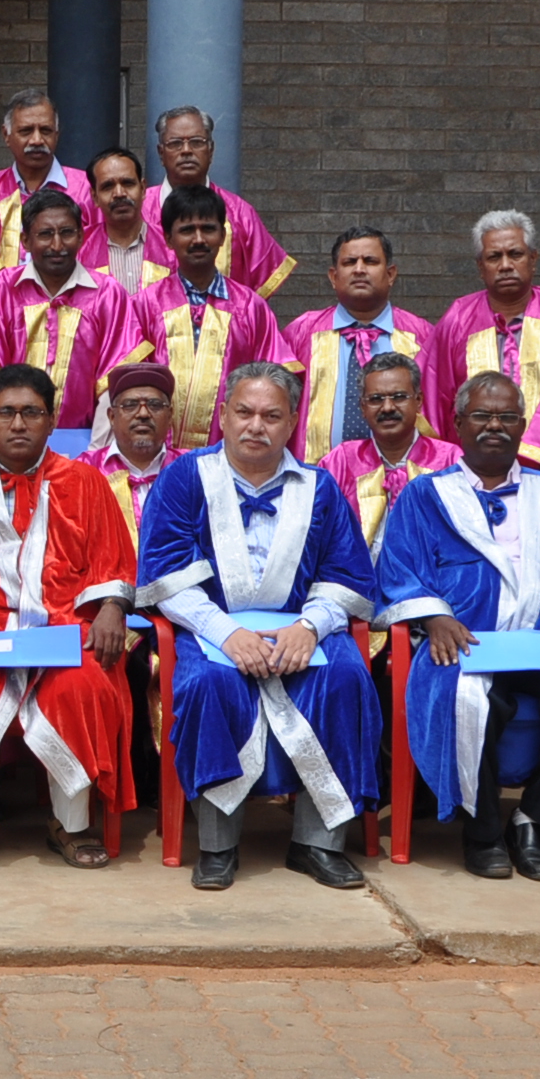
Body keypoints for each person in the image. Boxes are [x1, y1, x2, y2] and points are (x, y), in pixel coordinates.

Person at [374, 371, 540, 881]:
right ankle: (481, 833)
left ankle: (534, 822)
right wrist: (434, 615)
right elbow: (399, 570)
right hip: (462, 646)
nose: (494, 426)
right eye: (481, 415)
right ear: (458, 423)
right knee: (475, 699)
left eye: (506, 417)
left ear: (522, 427)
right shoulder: (425, 496)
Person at [138, 363, 384, 890]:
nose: (256, 426)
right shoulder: (185, 479)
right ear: (222, 416)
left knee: (345, 678)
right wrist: (226, 633)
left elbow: (347, 575)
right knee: (208, 683)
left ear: (292, 421)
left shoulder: (319, 487)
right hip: (213, 632)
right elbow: (166, 575)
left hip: (301, 631)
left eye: (272, 416)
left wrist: (309, 628)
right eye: (244, 412)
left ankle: (318, 843)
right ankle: (218, 845)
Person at [0, 364, 138, 871]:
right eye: (6, 413)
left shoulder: (85, 482)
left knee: (81, 683)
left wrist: (112, 608)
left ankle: (70, 823)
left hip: (65, 629)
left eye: (31, 413)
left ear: (51, 419)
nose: (18, 424)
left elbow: (114, 563)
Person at [0, 187, 138, 432]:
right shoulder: (0, 291)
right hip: (12, 439)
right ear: (25, 241)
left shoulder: (108, 294)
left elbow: (115, 386)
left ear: (81, 236)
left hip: (85, 439)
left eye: (66, 233)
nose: (57, 245)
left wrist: (96, 450)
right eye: (45, 234)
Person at [129, 186, 281, 449]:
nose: (198, 239)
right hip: (159, 453)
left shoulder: (250, 307)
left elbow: (273, 379)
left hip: (234, 453)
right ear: (168, 238)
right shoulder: (145, 305)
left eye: (208, 229)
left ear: (222, 236)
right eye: (187, 230)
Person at [434, 208, 540, 449]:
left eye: (515, 254)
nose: (505, 265)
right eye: (494, 257)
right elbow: (435, 397)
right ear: (480, 266)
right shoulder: (458, 318)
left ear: (533, 259)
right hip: (474, 460)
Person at [281, 227, 437, 464]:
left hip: (404, 476)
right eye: (350, 262)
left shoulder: (423, 337)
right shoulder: (300, 333)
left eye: (370, 261)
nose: (360, 269)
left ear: (391, 274)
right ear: (333, 276)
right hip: (316, 475)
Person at [137, 105, 292, 296]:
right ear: (161, 153)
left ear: (211, 150)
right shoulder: (138, 212)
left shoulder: (240, 214)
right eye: (175, 143)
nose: (186, 150)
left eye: (197, 142)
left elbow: (257, 298)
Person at [318, 354, 461, 546]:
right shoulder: (340, 462)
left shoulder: (449, 461)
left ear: (418, 401)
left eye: (399, 397)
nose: (387, 408)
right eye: (376, 399)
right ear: (363, 407)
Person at [0, 89, 94, 275]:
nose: (36, 140)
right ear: (6, 135)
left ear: (57, 134)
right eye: (26, 131)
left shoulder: (86, 189)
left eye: (45, 130)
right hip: (5, 293)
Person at [89, 362, 178, 532]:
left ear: (170, 416)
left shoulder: (191, 469)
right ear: (112, 417)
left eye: (155, 405)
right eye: (130, 405)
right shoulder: (85, 470)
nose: (143, 414)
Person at [85, 146, 165, 294]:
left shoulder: (170, 246)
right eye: (108, 186)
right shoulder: (80, 248)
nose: (119, 193)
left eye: (128, 183)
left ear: (143, 189)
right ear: (95, 197)